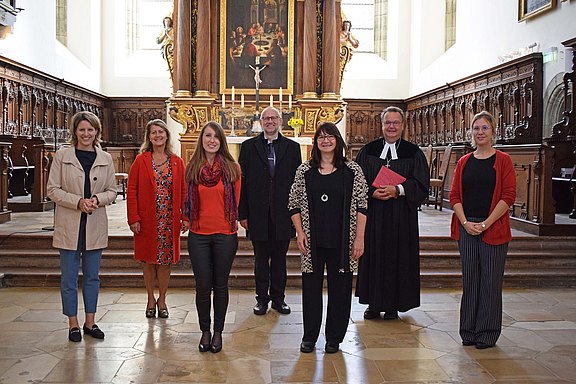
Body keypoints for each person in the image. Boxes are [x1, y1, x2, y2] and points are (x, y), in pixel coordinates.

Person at [289, 123, 368, 354]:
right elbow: (293, 203)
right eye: (321, 137)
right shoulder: (305, 171)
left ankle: (334, 337)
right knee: (311, 291)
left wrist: (359, 238)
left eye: (330, 136)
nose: (325, 141)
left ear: (337, 141)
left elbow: (363, 205)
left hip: (343, 241)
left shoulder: (352, 171)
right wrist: (300, 232)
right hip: (312, 242)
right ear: (315, 142)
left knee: (341, 290)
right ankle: (309, 337)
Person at [47, 111, 117, 342]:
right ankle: (73, 324)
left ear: (96, 131)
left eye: (90, 130)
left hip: (94, 224)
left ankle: (90, 322)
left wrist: (97, 200)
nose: (86, 134)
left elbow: (112, 191)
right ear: (75, 131)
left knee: (92, 277)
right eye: (82, 130)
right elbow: (52, 190)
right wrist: (77, 202)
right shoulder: (62, 155)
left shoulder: (105, 158)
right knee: (68, 277)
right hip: (70, 223)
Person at [355, 106, 430, 320]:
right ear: (381, 124)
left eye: (396, 123)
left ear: (403, 125)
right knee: (374, 256)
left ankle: (393, 306)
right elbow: (356, 182)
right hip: (374, 216)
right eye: (388, 122)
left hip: (401, 217)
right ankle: (373, 304)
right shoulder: (368, 151)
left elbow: (421, 184)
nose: (391, 126)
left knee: (398, 257)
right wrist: (373, 192)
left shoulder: (413, 152)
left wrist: (398, 189)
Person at [449, 111, 516, 349]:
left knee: (490, 280)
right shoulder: (464, 162)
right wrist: (466, 223)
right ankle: (468, 331)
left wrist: (486, 224)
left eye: (484, 128)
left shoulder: (503, 160)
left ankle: (487, 333)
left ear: (493, 131)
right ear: (471, 132)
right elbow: (454, 195)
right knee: (471, 280)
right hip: (467, 227)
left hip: (493, 227)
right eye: (476, 128)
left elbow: (508, 196)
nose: (480, 132)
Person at [238, 106, 302, 316]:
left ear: (281, 121)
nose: (270, 122)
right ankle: (261, 300)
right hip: (257, 214)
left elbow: (297, 184)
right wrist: (243, 213)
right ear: (261, 122)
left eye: (274, 118)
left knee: (280, 260)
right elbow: (243, 183)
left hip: (284, 214)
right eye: (266, 118)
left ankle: (278, 299)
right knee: (260, 259)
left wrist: (297, 214)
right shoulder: (248, 147)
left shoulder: (292, 148)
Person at [184, 121, 241, 354]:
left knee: (220, 285)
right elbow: (184, 199)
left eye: (216, 136)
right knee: (202, 286)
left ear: (221, 141)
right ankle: (204, 331)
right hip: (198, 235)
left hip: (225, 235)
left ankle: (218, 331)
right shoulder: (192, 168)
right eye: (207, 136)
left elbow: (236, 202)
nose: (211, 140)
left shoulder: (232, 168)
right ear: (202, 139)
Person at [127, 119, 188, 319]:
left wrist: (185, 217)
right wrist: (133, 217)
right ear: (149, 137)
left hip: (169, 220)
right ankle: (150, 298)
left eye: (161, 132)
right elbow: (132, 189)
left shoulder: (177, 161)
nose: (157, 136)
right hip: (147, 219)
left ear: (167, 135)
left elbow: (184, 191)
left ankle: (162, 299)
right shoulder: (141, 160)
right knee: (148, 261)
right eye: (154, 132)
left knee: (165, 261)